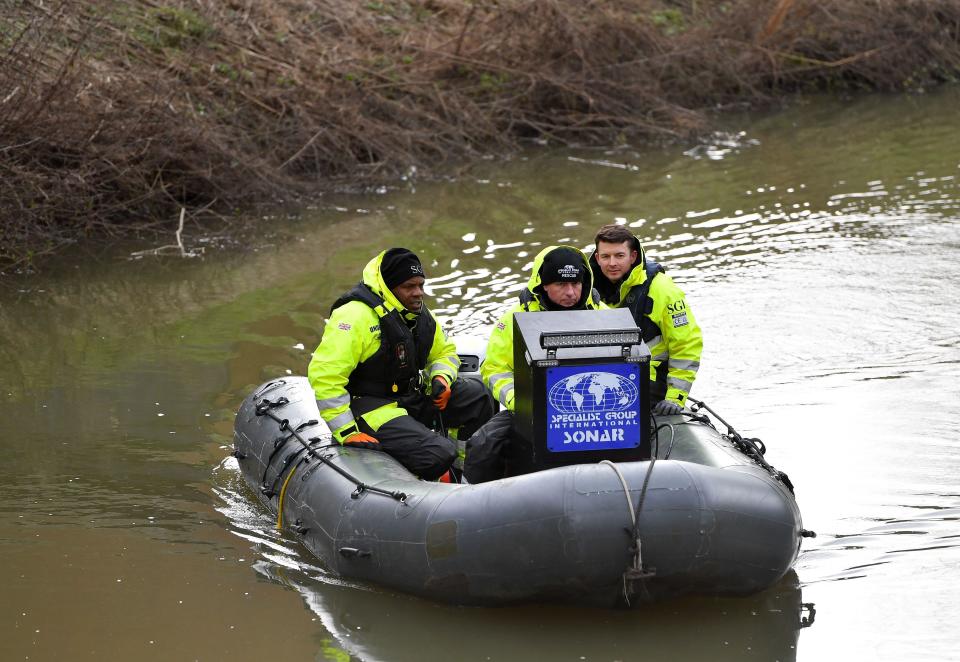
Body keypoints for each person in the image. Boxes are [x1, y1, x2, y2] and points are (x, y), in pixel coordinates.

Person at [308, 248, 494, 480]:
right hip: (372, 409)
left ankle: (465, 471)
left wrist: (441, 379)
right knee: (437, 453)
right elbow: (325, 375)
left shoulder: (419, 315)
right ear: (389, 287)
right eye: (409, 287)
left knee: (478, 397)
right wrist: (346, 431)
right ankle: (432, 479)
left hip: (410, 397)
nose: (418, 293)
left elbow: (444, 353)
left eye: (421, 285)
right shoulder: (354, 316)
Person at [466, 245, 603, 483]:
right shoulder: (513, 319)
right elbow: (496, 370)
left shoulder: (603, 314)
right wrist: (521, 403)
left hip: (593, 411)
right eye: (561, 284)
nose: (571, 292)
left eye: (576, 284)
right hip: (532, 408)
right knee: (483, 444)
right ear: (544, 285)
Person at [589, 224, 703, 416]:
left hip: (649, 379)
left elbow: (686, 344)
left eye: (619, 255)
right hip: (606, 376)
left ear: (633, 256)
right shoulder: (586, 287)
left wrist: (674, 397)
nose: (612, 263)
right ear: (597, 258)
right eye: (606, 257)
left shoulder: (662, 289)